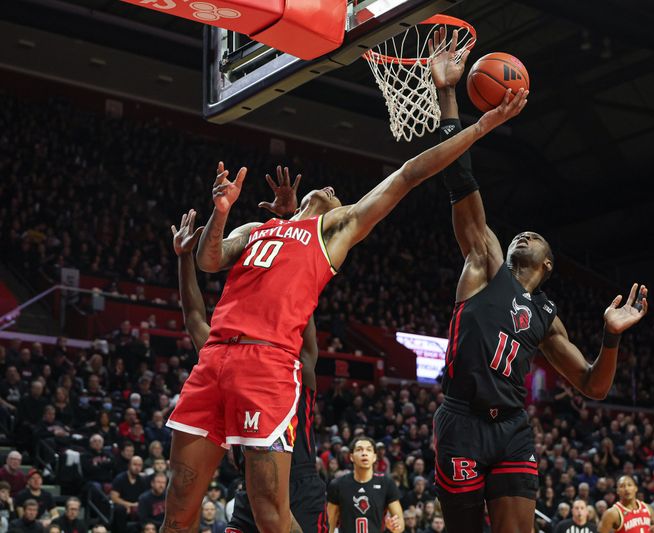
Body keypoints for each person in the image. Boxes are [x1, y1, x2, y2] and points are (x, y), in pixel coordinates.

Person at [161, 86, 527, 533]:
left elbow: (410, 174)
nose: (333, 190)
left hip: (267, 364)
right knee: (178, 507)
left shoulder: (333, 231)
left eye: (339, 195)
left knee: (271, 516)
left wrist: (480, 126)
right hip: (214, 358)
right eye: (329, 191)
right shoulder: (260, 226)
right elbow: (209, 260)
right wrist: (221, 212)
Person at [425, 31, 647, 533]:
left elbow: (593, 385)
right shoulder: (485, 262)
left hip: (512, 430)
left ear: (548, 266)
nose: (524, 234)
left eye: (535, 237)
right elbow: (459, 180)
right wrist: (447, 94)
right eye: (520, 233)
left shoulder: (546, 317)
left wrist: (611, 336)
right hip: (461, 419)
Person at [169, 209, 328, 532]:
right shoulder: (225, 355)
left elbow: (302, 301)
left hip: (301, 485)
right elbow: (195, 319)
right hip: (251, 486)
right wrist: (184, 257)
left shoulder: (301, 366)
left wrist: (291, 240)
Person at [327, 437, 404, 533]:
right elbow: (329, 523)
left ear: (374, 457)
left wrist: (395, 527)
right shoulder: (337, 484)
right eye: (359, 450)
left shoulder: (386, 483)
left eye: (369, 450)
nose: (364, 453)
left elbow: (400, 523)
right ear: (351, 457)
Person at [110, 456, 147, 532]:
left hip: (137, 505)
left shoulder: (142, 480)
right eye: (135, 464)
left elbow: (145, 496)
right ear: (129, 465)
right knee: (120, 510)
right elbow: (114, 497)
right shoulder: (120, 478)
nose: (137, 467)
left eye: (140, 465)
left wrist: (138, 505)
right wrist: (129, 505)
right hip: (123, 505)